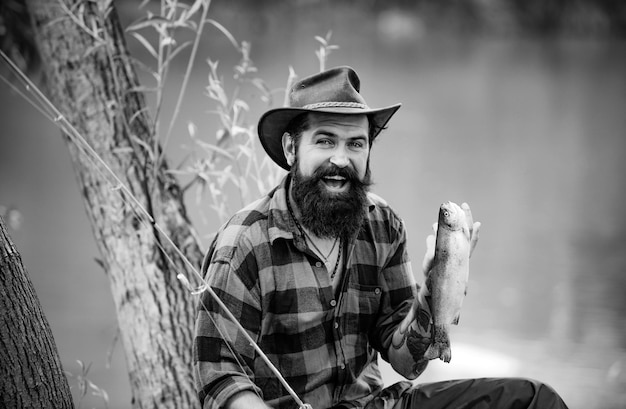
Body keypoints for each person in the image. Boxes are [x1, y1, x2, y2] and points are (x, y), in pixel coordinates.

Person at [193, 66, 569, 409]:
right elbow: (220, 379)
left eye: (355, 143)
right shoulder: (244, 244)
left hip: (379, 405)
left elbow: (407, 361)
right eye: (325, 141)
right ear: (292, 148)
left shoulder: (381, 223)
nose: (341, 159)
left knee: (535, 401)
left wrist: (431, 291)